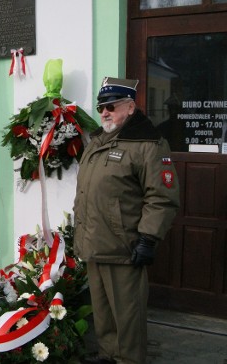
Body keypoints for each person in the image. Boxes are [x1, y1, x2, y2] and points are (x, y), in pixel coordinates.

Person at [73, 77, 180, 364]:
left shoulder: (148, 144)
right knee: (104, 312)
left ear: (130, 107)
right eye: (101, 107)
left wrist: (148, 238)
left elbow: (161, 197)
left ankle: (128, 360)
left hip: (124, 247)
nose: (104, 112)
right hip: (95, 242)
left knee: (128, 318)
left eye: (111, 106)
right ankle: (109, 356)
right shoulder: (98, 140)